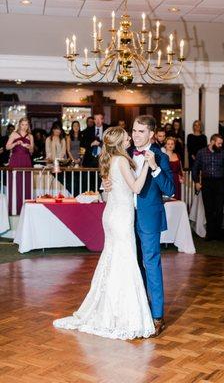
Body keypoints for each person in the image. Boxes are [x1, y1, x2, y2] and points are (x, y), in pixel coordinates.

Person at [53, 126, 157, 340]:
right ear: (120, 141)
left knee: (114, 260)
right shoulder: (120, 160)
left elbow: (109, 187)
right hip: (120, 217)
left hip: (112, 215)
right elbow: (136, 188)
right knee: (125, 261)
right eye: (127, 136)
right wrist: (147, 164)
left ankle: (111, 308)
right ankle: (120, 315)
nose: (130, 137)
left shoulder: (111, 160)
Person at [103, 115, 175, 336]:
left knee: (150, 263)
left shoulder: (160, 156)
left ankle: (156, 316)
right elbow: (116, 181)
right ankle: (139, 309)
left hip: (148, 219)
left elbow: (170, 189)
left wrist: (154, 167)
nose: (135, 135)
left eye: (141, 131)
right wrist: (105, 186)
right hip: (125, 218)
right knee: (133, 264)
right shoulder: (124, 154)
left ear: (152, 134)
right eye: (133, 130)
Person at [192, 134, 224, 241]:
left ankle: (218, 234)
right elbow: (195, 168)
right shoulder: (201, 152)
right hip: (206, 183)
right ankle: (210, 233)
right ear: (212, 142)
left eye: (221, 143)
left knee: (219, 209)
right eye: (219, 143)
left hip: (219, 183)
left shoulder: (223, 153)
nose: (220, 145)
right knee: (208, 209)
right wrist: (196, 181)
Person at [6, 117, 33, 214]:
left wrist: (29, 147)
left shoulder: (30, 136)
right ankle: (14, 208)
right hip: (15, 160)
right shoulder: (14, 134)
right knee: (15, 183)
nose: (24, 127)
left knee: (26, 184)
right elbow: (7, 146)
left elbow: (32, 151)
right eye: (23, 124)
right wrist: (16, 143)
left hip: (26, 160)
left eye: (26, 125)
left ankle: (26, 209)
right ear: (19, 125)